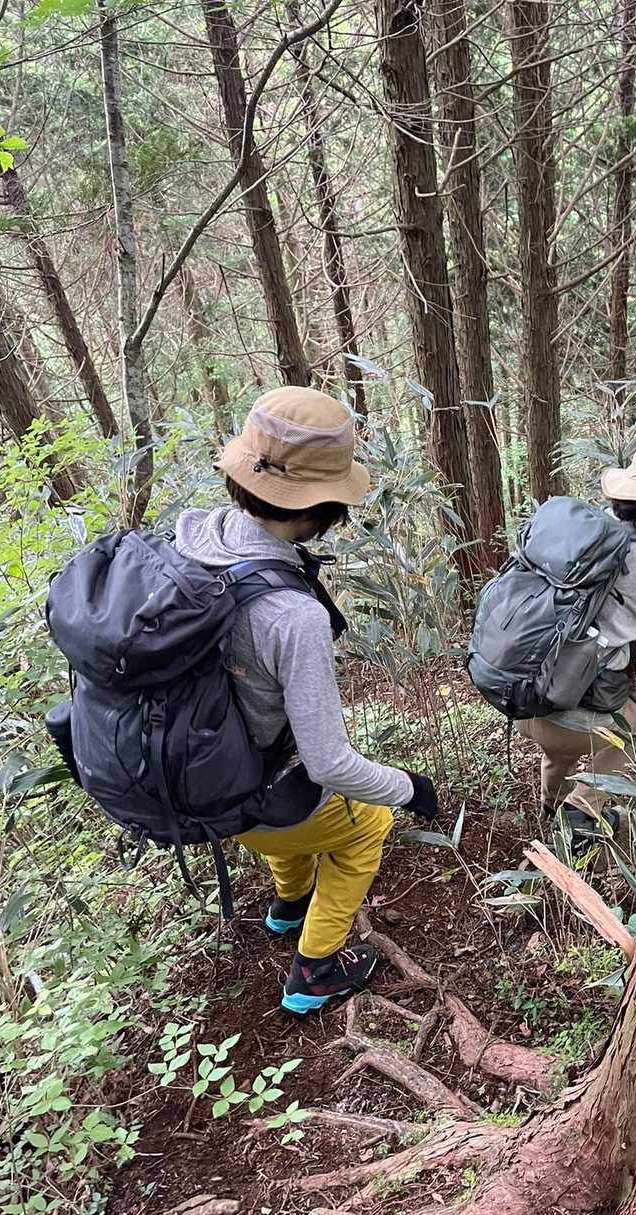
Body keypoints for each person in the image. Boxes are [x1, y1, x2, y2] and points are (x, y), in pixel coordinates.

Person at [173, 386, 438, 1013]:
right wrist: (408, 788)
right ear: (321, 506)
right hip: (265, 798)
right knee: (367, 824)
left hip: (204, 786)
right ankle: (315, 968)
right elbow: (327, 763)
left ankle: (289, 903)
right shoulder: (291, 615)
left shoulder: (193, 536)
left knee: (283, 789)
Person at [517, 437, 636, 834]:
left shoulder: (572, 531)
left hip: (520, 701)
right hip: (576, 724)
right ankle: (583, 810)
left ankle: (551, 803)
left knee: (563, 720)